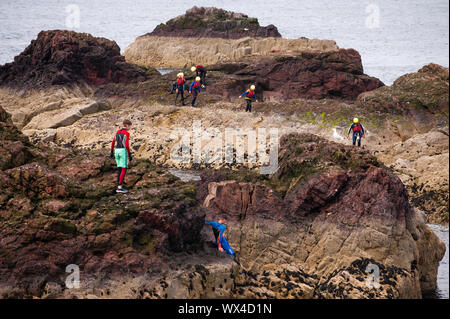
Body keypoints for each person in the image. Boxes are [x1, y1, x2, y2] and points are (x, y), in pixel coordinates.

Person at [110, 119, 133, 193]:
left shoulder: (117, 132)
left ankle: (119, 184)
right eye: (130, 126)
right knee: (124, 169)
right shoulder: (126, 133)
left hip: (116, 151)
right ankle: (119, 188)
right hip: (123, 151)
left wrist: (111, 151)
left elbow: (113, 141)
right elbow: (126, 145)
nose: (130, 128)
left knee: (119, 168)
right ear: (127, 125)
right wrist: (129, 154)